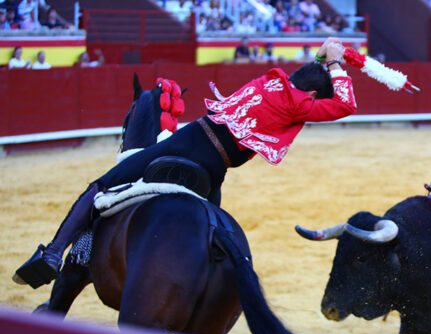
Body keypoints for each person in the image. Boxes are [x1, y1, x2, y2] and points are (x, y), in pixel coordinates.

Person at [14, 37, 358, 288]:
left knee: (101, 185)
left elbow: (306, 77)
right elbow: (344, 104)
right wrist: (336, 63)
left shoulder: (269, 79)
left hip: (190, 139)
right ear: (313, 97)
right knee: (216, 235)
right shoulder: (300, 105)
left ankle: (53, 253)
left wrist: (325, 57)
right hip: (214, 169)